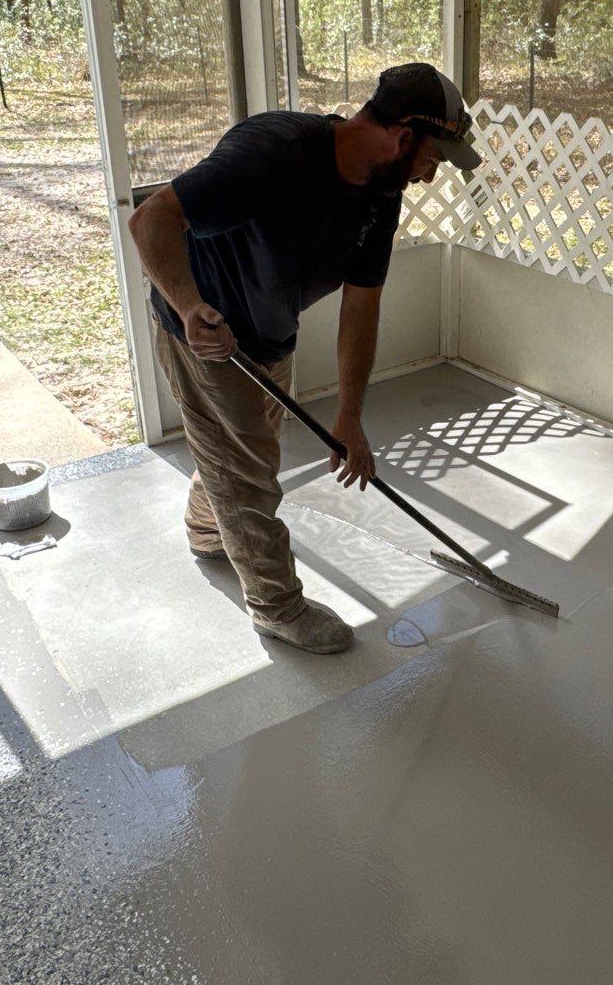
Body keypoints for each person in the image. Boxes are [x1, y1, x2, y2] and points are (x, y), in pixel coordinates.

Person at [130, 62, 481, 655]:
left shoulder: (380, 195)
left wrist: (350, 415)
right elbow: (151, 221)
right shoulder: (272, 152)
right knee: (249, 475)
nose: (430, 174)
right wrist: (190, 307)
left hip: (268, 335)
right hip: (207, 333)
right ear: (402, 137)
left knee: (238, 452)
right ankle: (275, 606)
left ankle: (205, 527)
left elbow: (361, 309)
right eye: (433, 158)